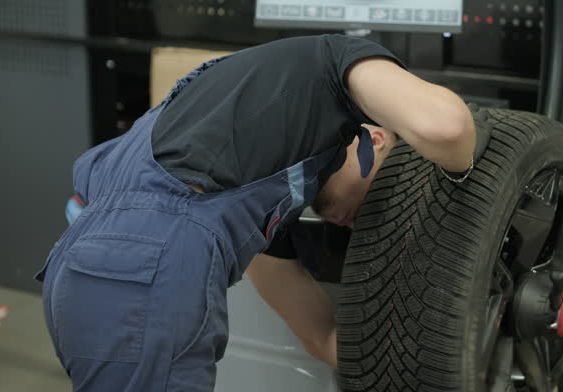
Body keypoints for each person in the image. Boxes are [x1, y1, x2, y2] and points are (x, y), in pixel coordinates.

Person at [34, 34, 489, 391]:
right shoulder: (332, 62)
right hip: (144, 267)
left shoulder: (252, 169)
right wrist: (473, 195)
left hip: (77, 271)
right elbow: (447, 126)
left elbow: (323, 339)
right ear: (375, 138)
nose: (361, 222)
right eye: (385, 192)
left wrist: (450, 345)